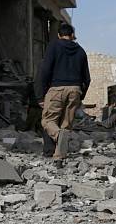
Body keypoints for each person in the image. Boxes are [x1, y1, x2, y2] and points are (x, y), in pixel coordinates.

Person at [39, 23, 91, 166]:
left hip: (57, 89)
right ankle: (59, 157)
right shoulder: (81, 51)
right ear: (72, 35)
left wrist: (42, 93)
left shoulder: (53, 46)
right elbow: (87, 78)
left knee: (48, 121)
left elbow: (45, 70)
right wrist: (81, 95)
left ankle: (57, 135)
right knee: (66, 124)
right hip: (75, 89)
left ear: (59, 35)